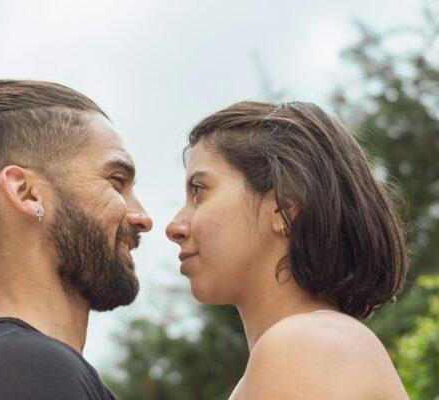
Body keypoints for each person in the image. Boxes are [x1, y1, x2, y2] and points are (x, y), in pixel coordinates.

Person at [0, 80, 152, 400]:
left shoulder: (1, 370)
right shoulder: (31, 372)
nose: (143, 217)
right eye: (116, 182)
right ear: (26, 192)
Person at [166, 101, 410, 399]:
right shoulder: (310, 344)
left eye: (199, 191)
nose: (175, 226)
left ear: (283, 209)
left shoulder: (304, 345)